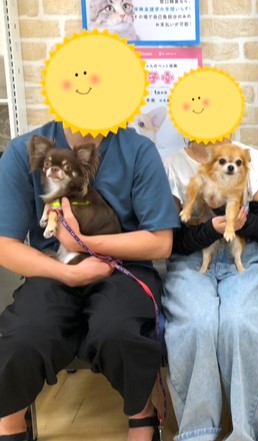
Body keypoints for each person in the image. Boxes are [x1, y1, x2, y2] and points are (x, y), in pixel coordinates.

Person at [0, 31, 179, 441]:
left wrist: (86, 245)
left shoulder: (138, 151)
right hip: (50, 271)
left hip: (123, 270)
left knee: (119, 330)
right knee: (23, 334)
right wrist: (66, 271)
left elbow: (160, 242)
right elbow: (5, 245)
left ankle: (141, 414)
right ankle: (10, 422)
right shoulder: (25, 151)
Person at [161, 138, 258, 441]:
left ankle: (245, 434)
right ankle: (196, 433)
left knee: (242, 324)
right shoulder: (173, 166)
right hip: (192, 259)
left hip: (243, 255)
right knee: (196, 323)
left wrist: (237, 223)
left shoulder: (252, 159)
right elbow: (173, 240)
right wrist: (209, 228)